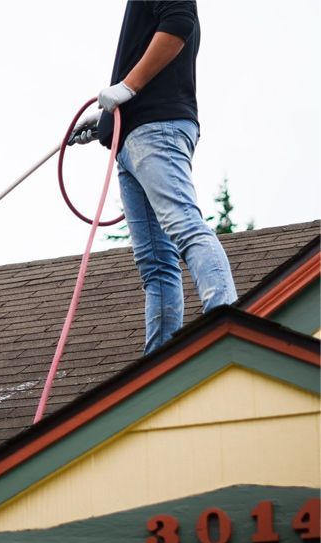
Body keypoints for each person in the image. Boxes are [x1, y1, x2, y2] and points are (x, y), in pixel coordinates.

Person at [71, 0, 237, 355]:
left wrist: (126, 88)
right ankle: (158, 364)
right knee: (155, 262)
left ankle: (228, 326)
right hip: (135, 137)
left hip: (157, 130)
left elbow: (179, 23)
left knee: (184, 226)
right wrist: (105, 120)